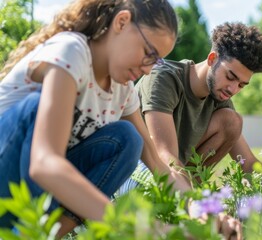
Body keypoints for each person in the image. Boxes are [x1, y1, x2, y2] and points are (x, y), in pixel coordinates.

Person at [0, 0, 193, 236]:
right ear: (122, 22)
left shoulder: (123, 90)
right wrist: (147, 229)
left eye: (156, 61)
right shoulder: (72, 50)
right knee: (37, 107)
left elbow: (158, 165)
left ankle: (40, 234)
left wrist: (201, 211)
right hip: (7, 173)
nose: (148, 70)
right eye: (148, 54)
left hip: (33, 194)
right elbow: (45, 163)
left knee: (129, 140)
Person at [120, 21, 262, 192]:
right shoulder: (163, 78)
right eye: (230, 76)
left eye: (242, 85)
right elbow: (165, 155)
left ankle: (189, 196)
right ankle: (188, 202)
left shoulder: (220, 96)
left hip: (174, 178)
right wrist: (194, 204)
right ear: (212, 59)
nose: (233, 89)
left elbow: (248, 161)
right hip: (135, 172)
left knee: (232, 120)